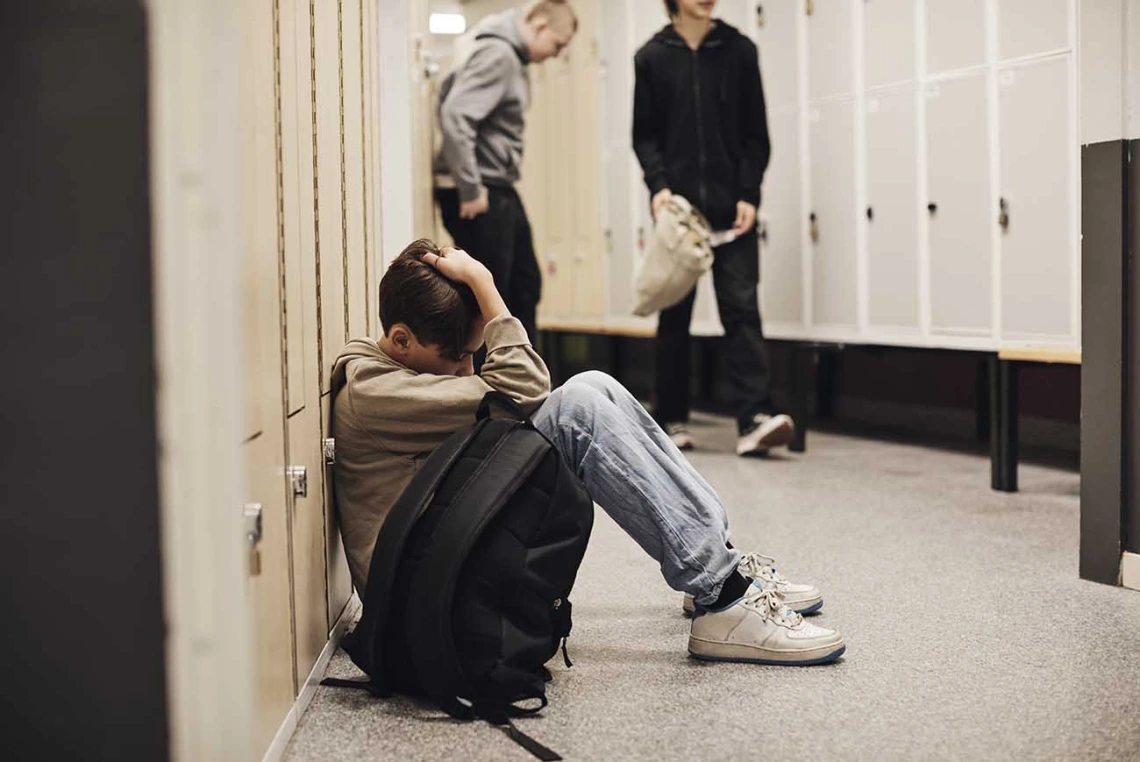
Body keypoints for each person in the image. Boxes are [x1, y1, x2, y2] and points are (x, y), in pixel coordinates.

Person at [331, 239, 845, 666]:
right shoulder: (377, 393)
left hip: (443, 558)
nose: (470, 370)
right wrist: (486, 288)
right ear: (400, 339)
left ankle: (718, 566)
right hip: (425, 598)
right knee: (573, 408)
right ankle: (723, 596)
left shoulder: (398, 371)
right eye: (461, 358)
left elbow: (516, 389)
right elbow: (527, 386)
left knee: (593, 384)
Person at [633, 0, 794, 456]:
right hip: (680, 213)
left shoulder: (739, 50)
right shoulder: (651, 57)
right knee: (675, 314)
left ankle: (754, 418)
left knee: (742, 308)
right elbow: (644, 135)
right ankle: (670, 419)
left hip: (731, 208)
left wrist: (750, 193)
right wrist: (658, 186)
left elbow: (755, 135)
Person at [433, 0, 577, 347]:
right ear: (540, 26)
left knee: (523, 285)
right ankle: (498, 391)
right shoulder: (499, 55)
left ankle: (521, 385)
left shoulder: (506, 53)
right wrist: (470, 187)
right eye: (557, 45)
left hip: (494, 186)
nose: (555, 55)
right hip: (482, 191)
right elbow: (456, 115)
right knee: (493, 297)